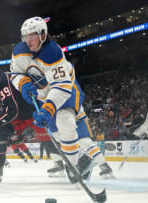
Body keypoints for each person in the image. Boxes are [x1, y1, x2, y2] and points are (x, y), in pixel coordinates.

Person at [9, 16, 113, 181]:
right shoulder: (19, 51)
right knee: (56, 134)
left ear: (43, 34)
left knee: (66, 121)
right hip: (44, 96)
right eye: (25, 36)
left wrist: (47, 110)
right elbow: (15, 74)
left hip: (67, 90)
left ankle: (73, 166)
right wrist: (23, 84)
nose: (28, 41)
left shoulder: (52, 52)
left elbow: (61, 87)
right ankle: (79, 160)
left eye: (32, 36)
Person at [0, 60, 47, 184]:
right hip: (19, 117)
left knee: (49, 136)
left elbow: (12, 110)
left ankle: (67, 160)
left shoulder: (1, 81)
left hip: (30, 115)